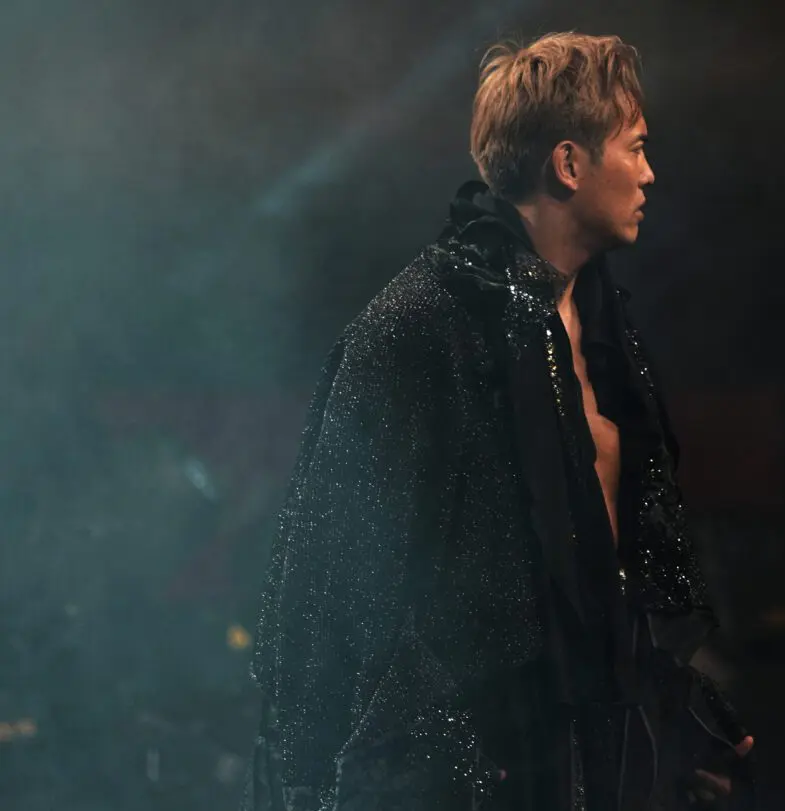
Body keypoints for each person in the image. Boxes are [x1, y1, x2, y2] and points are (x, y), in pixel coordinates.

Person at [244, 31, 756, 811]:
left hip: (593, 772)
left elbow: (613, 588)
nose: (650, 172)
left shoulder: (604, 334)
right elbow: (324, 591)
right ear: (569, 164)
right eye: (636, 147)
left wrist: (674, 735)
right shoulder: (421, 327)